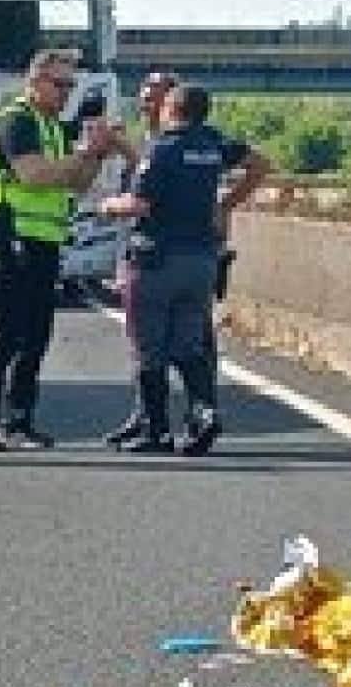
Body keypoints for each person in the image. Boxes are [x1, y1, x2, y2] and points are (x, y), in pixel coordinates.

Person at [0, 48, 126, 451]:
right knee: (4, 330)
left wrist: (96, 153)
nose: (67, 92)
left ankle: (19, 420)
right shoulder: (15, 120)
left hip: (45, 239)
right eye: (59, 84)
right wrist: (83, 154)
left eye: (71, 85)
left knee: (36, 334)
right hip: (11, 231)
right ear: (34, 82)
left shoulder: (52, 126)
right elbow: (33, 175)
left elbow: (78, 183)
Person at [101, 82, 272, 454]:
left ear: (171, 110)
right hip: (201, 261)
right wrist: (226, 204)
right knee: (190, 344)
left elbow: (141, 204)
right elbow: (261, 164)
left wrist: (110, 205)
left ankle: (156, 430)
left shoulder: (162, 150)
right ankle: (204, 413)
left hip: (156, 261)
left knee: (148, 348)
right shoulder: (212, 144)